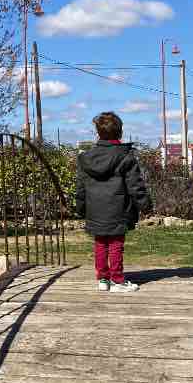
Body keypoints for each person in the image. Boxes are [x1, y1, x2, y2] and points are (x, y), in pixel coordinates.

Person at [74, 112, 152, 293]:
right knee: (116, 243)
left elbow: (81, 187)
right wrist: (145, 204)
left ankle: (103, 279)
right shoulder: (126, 156)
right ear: (120, 132)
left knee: (100, 243)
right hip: (118, 208)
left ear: (98, 132)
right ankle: (117, 280)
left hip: (94, 209)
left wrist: (80, 208)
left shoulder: (86, 158)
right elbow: (135, 185)